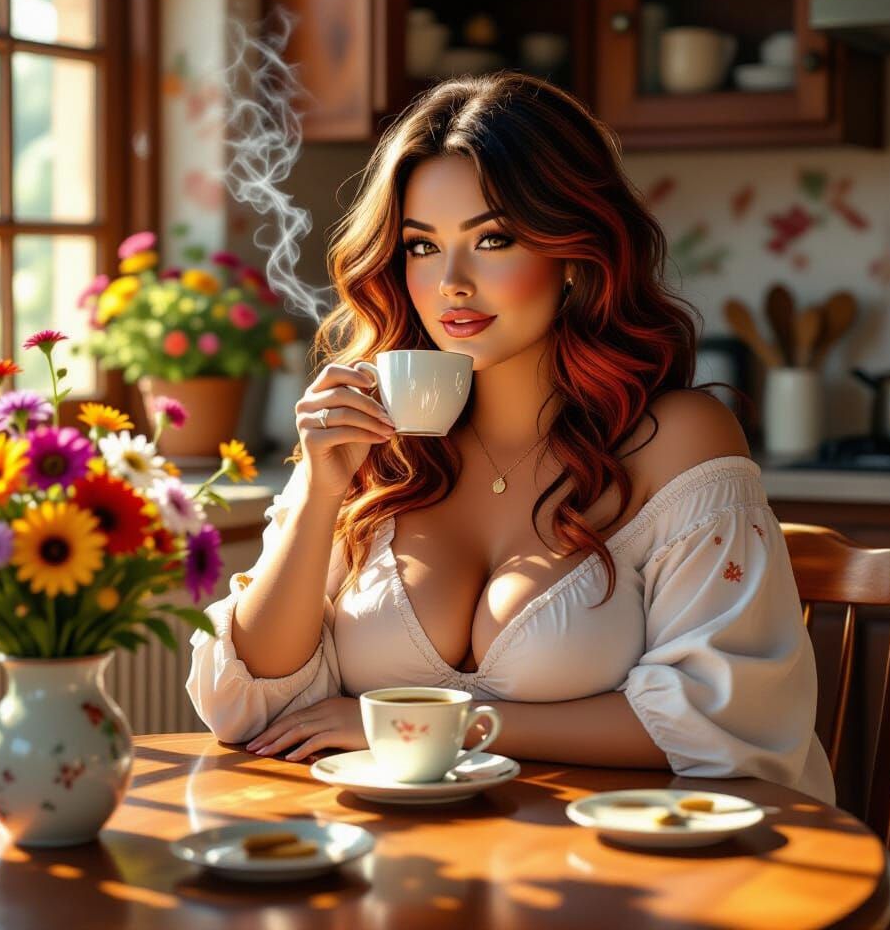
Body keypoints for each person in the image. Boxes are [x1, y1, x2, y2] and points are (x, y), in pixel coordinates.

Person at [186, 72, 835, 805]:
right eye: (421, 246)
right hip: (412, 873)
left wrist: (428, 726)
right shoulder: (377, 444)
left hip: (631, 871)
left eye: (493, 239)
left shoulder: (676, 441)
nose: (451, 283)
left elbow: (727, 723)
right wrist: (317, 490)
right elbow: (250, 709)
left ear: (575, 254)